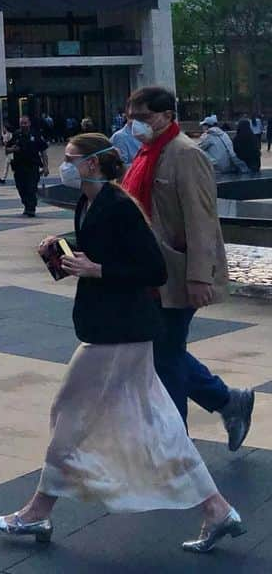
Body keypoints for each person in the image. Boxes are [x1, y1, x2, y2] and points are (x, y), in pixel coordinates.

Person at [0, 134, 244, 555]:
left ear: (92, 165)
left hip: (119, 333)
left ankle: (38, 511)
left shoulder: (120, 206)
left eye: (70, 159)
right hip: (116, 330)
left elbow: (152, 269)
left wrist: (96, 268)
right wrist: (62, 250)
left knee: (72, 412)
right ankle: (216, 509)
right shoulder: (92, 203)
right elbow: (102, 251)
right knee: (154, 422)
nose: (64, 165)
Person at [123, 87, 255, 451]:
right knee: (160, 352)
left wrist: (200, 276)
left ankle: (173, 447)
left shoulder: (185, 155)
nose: (135, 125)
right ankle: (227, 401)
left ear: (166, 116)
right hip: (149, 275)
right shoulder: (147, 154)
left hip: (176, 275)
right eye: (131, 117)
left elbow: (202, 221)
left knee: (163, 357)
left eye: (143, 117)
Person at [7, 115, 49, 217]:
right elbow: (7, 149)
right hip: (19, 166)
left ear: (29, 123)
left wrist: (46, 166)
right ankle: (26, 205)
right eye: (22, 123)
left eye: (25, 123)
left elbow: (43, 151)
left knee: (31, 187)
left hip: (32, 166)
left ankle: (31, 208)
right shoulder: (16, 134)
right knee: (21, 188)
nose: (23, 125)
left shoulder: (35, 134)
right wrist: (13, 149)